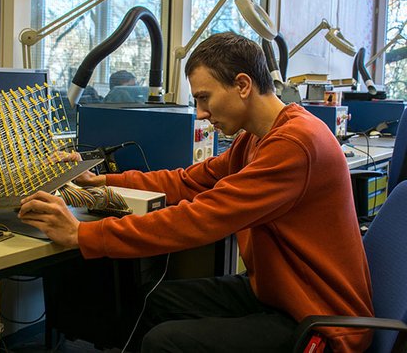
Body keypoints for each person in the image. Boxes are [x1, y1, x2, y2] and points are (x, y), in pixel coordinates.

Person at [18, 32, 374, 352]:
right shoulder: (255, 137)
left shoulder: (295, 144)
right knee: (152, 300)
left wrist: (83, 234)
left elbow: (199, 219)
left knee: (165, 342)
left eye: (205, 98)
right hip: (279, 291)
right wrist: (104, 181)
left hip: (320, 322)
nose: (201, 114)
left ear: (243, 85)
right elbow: (189, 181)